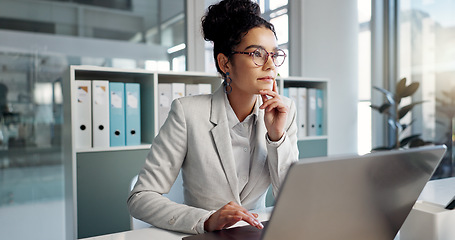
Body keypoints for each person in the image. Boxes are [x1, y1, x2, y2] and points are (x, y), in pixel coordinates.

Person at [127, 0, 299, 234]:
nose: (270, 66)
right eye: (257, 54)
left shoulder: (284, 111)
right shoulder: (187, 113)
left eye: (274, 55)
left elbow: (290, 198)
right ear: (225, 63)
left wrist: (276, 137)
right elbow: (140, 197)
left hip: (258, 233)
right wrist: (206, 220)